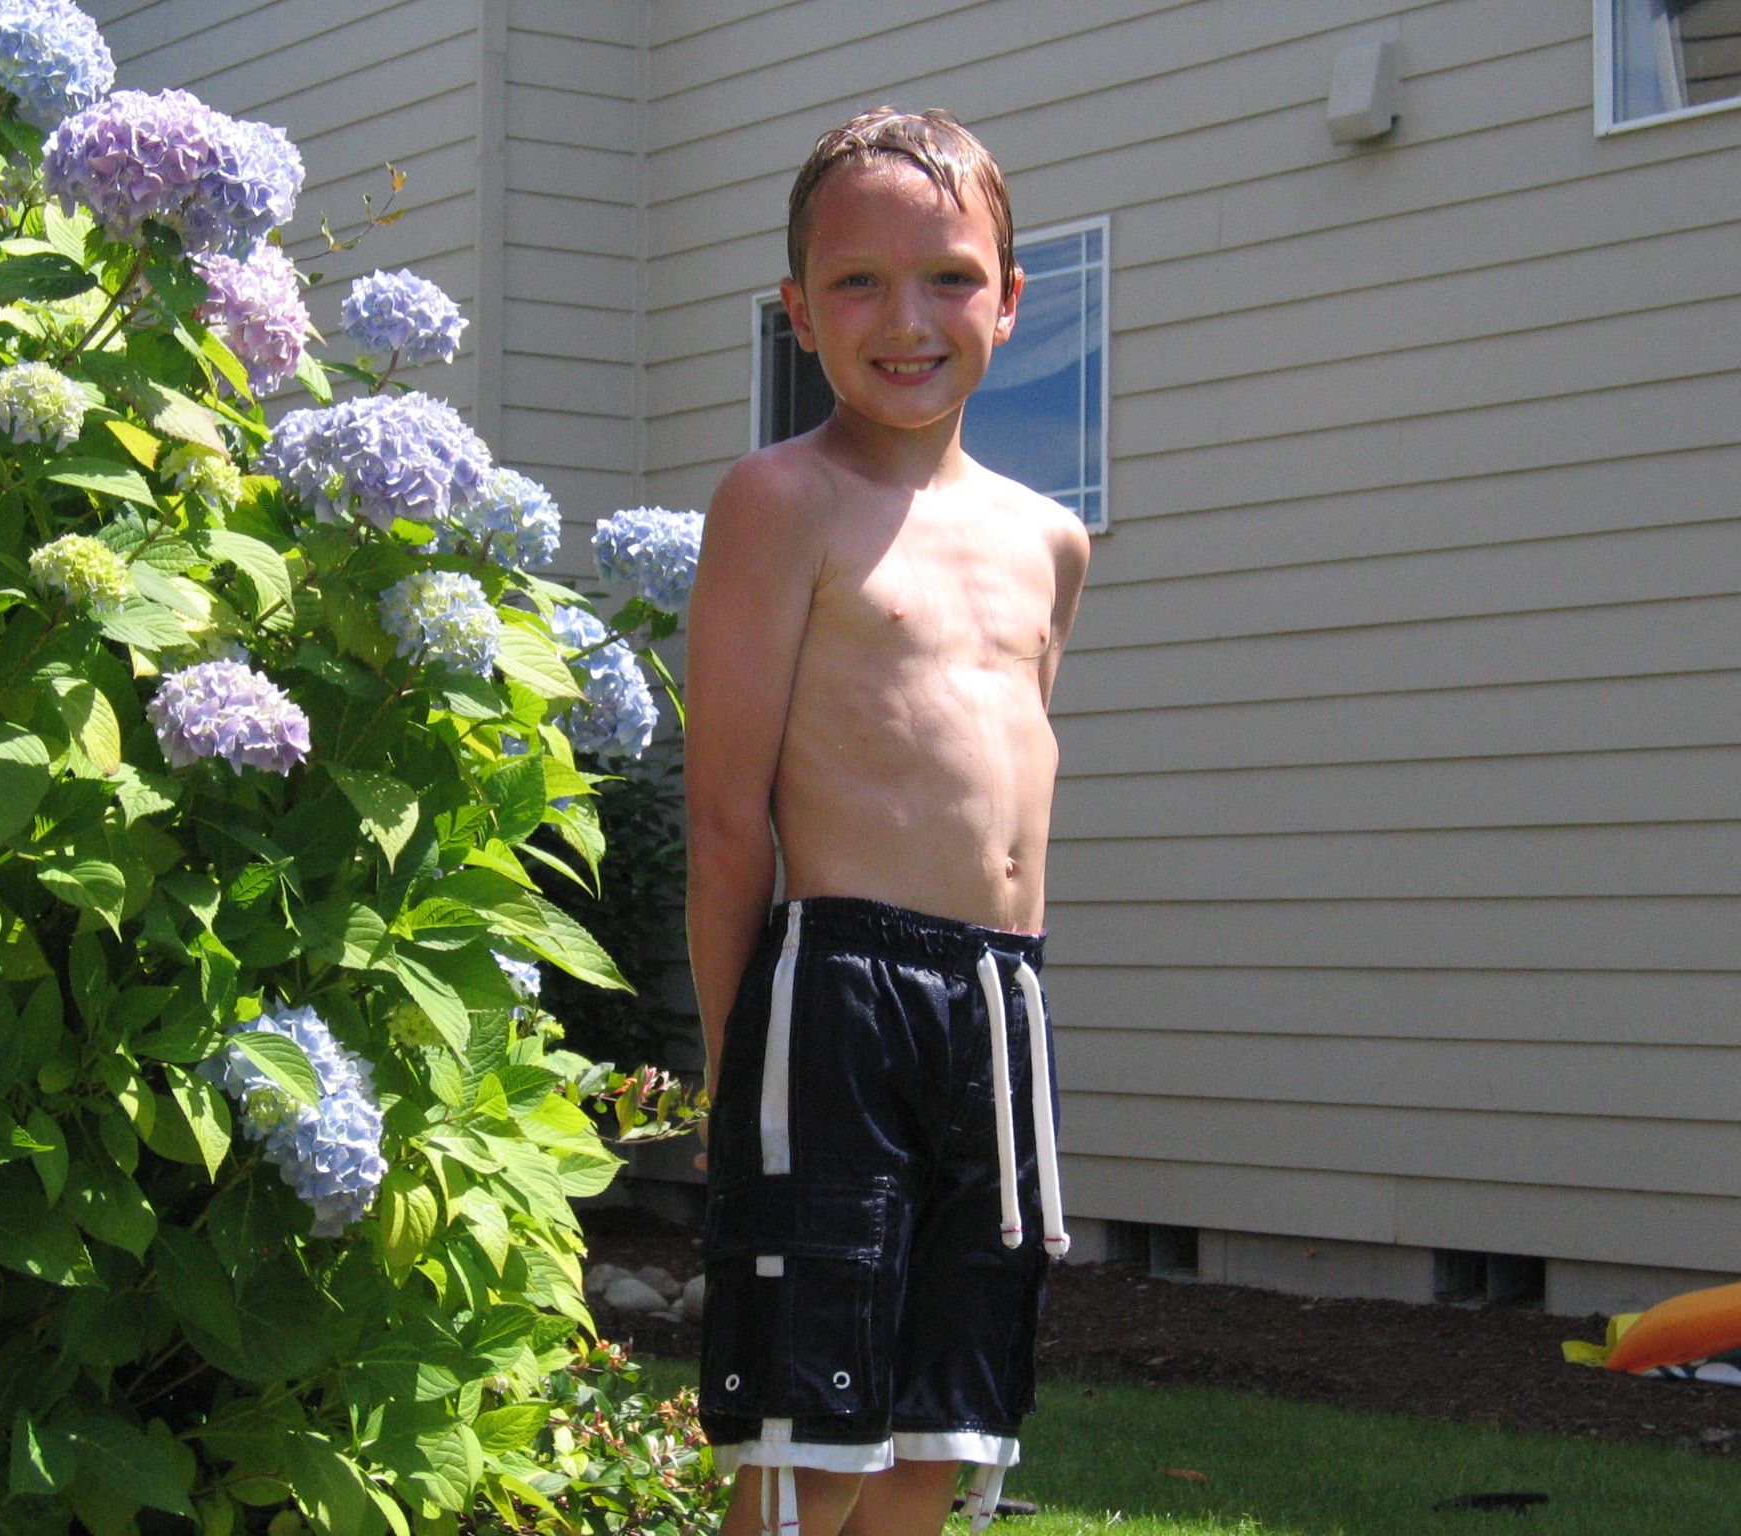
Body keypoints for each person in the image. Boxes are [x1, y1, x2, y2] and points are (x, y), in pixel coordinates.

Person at [683, 107, 1092, 1536]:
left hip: (1001, 1003)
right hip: (839, 1000)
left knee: (946, 1429)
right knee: (808, 1442)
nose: (905, 319)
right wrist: (741, 1085)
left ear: (1012, 299)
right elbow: (729, 823)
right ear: (798, 313)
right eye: (856, 282)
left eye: (949, 278)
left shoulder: (1052, 539)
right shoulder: (781, 500)